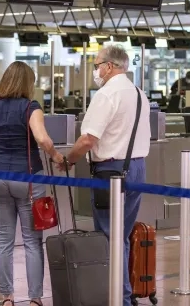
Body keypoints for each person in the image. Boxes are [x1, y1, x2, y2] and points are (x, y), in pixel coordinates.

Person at [62, 45, 150, 306]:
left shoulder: (106, 94)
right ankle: (122, 294)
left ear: (110, 66)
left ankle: (118, 298)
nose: (96, 70)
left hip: (110, 172)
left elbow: (88, 139)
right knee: (120, 235)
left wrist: (69, 160)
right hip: (136, 168)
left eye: (97, 65)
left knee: (110, 236)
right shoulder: (138, 93)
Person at [0, 61, 64, 306]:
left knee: (3, 240)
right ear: (30, 83)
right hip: (27, 179)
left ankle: (6, 297)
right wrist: (58, 158)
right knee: (31, 241)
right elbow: (42, 139)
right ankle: (35, 298)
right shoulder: (31, 107)